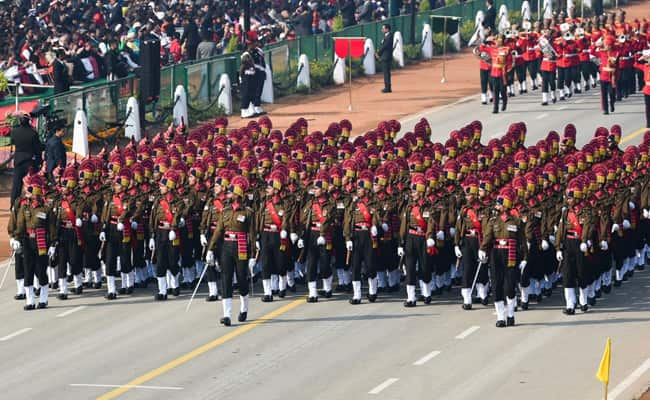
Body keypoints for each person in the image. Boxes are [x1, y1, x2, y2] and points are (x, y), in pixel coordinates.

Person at [10, 112, 43, 205]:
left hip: (18, 160)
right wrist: (39, 161)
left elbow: (12, 141)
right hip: (30, 161)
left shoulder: (14, 131)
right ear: (29, 121)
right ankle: (33, 204)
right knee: (32, 184)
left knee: (16, 185)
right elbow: (38, 149)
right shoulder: (33, 132)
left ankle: (13, 205)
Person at [377, 23, 394, 93]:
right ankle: (387, 87)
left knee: (386, 73)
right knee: (386, 73)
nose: (382, 30)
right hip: (384, 56)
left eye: (383, 28)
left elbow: (385, 46)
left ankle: (387, 88)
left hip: (386, 56)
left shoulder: (389, 36)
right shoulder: (386, 36)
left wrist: (378, 53)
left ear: (387, 29)